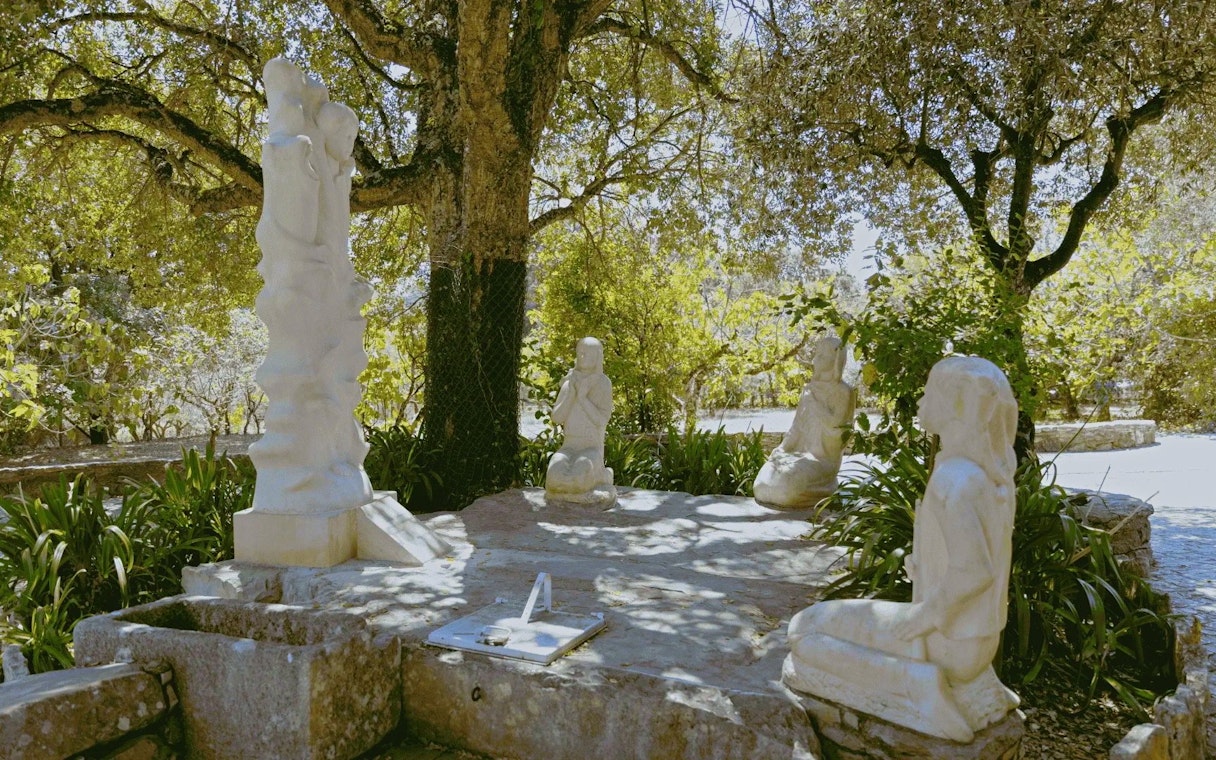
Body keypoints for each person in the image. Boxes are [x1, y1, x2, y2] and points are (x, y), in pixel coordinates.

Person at [783, 355, 1020, 742]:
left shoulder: (954, 480)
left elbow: (975, 571)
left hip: (943, 643)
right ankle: (978, 685)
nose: (923, 403)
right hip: (978, 648)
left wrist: (922, 616)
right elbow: (982, 561)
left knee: (804, 631)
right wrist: (925, 567)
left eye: (929, 394)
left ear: (956, 407)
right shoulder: (991, 479)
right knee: (817, 625)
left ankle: (917, 685)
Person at [753, 335, 854, 508]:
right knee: (760, 485)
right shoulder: (809, 390)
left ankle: (824, 489)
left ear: (835, 360)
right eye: (817, 355)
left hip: (822, 461)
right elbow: (796, 429)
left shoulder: (844, 392)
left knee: (787, 489)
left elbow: (839, 433)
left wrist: (815, 404)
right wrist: (782, 449)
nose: (815, 360)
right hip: (798, 456)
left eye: (821, 356)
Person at [546, 337, 614, 499]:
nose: (582, 357)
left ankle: (603, 475)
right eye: (580, 353)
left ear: (598, 356)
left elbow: (600, 422)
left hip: (591, 449)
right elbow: (556, 418)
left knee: (578, 480)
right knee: (553, 480)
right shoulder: (569, 383)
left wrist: (583, 398)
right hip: (568, 448)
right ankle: (588, 482)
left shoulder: (604, 384)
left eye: (587, 354)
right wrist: (571, 394)